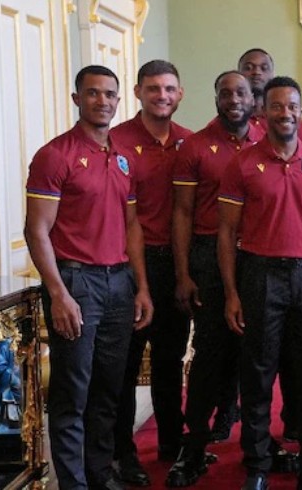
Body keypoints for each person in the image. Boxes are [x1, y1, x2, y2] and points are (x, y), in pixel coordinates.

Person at [24, 65, 153, 490]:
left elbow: (132, 225)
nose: (103, 101)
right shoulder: (54, 155)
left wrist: (140, 286)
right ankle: (74, 484)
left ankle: (100, 476)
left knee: (108, 392)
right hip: (76, 284)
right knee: (72, 394)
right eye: (93, 94)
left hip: (119, 282)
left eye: (110, 94)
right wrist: (58, 294)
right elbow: (36, 230)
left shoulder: (122, 157)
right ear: (77, 98)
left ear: (120, 100)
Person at [218, 76, 302, 490]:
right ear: (263, 111)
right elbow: (226, 233)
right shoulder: (241, 165)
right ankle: (257, 467)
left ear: (301, 111)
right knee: (257, 377)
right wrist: (232, 292)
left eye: (293, 106)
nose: (285, 113)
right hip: (260, 276)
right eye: (277, 106)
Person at [167, 71, 268, 487]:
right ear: (215, 97)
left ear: (252, 98)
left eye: (240, 93)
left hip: (260, 257)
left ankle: (256, 447)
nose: (233, 99)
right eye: (225, 92)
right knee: (210, 355)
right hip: (210, 257)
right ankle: (193, 447)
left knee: (258, 356)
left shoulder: (267, 140)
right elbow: (183, 214)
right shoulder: (194, 146)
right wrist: (184, 273)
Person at [109, 59, 193, 487]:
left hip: (175, 264)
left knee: (169, 357)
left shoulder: (189, 143)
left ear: (180, 95)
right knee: (125, 363)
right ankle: (122, 452)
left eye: (170, 89)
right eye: (154, 88)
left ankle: (171, 442)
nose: (162, 95)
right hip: (126, 268)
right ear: (139, 93)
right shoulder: (116, 141)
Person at [237, 48, 302, 144]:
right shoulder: (230, 121)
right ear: (238, 75)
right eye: (248, 68)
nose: (256, 72)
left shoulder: (294, 124)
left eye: (264, 68)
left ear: (272, 74)